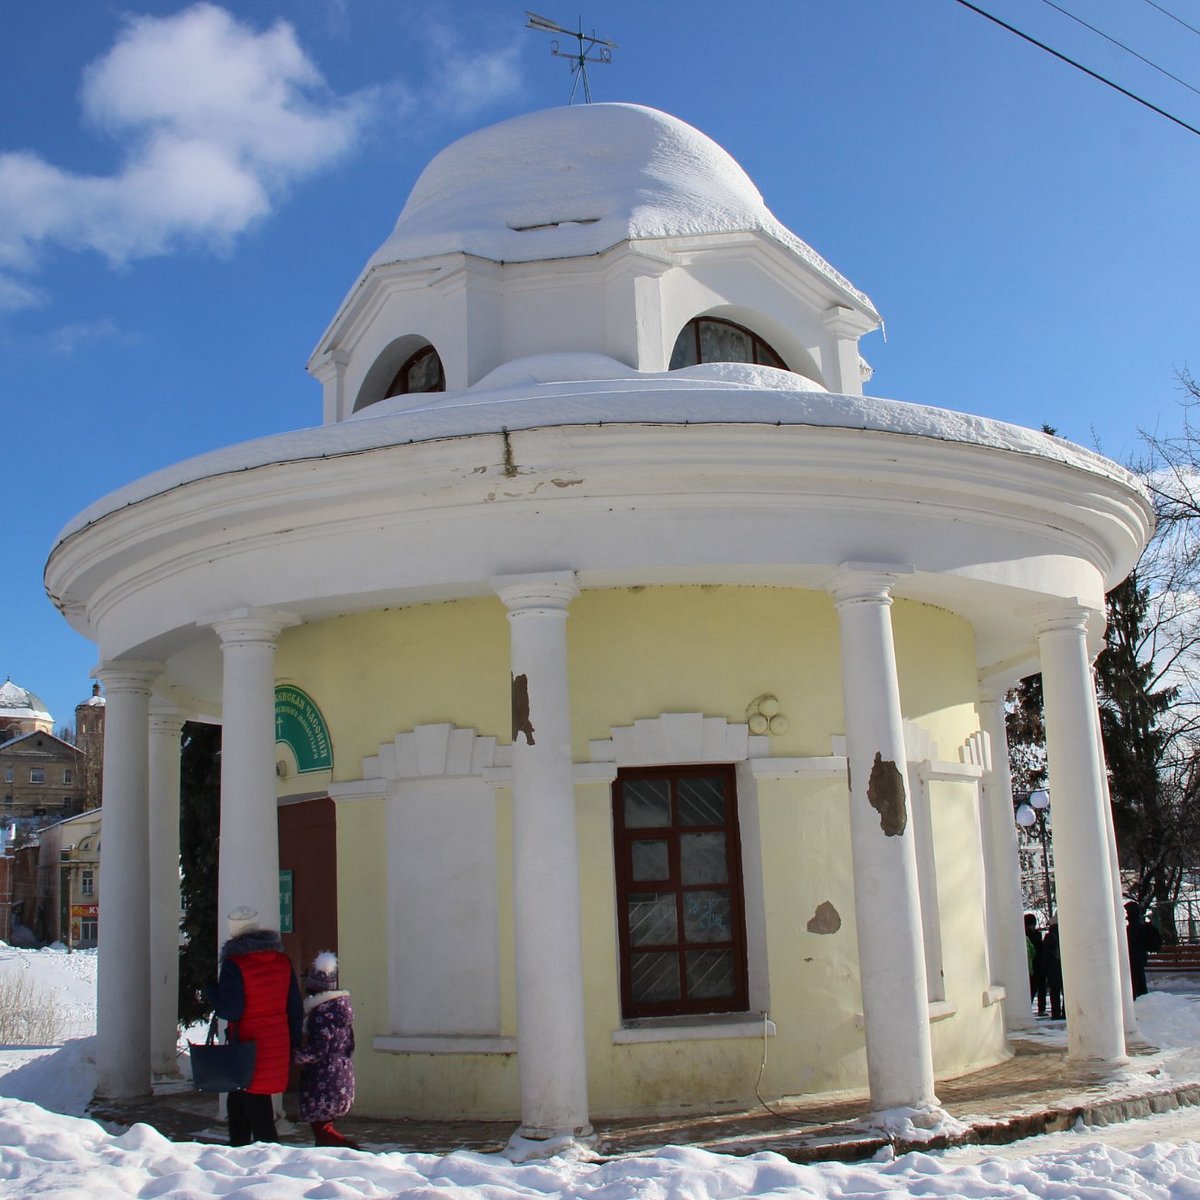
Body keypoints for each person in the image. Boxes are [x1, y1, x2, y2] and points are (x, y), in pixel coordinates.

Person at [212, 906, 303, 1146]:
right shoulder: (282, 961)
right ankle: (240, 1153)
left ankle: (265, 1163)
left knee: (256, 1110)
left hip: (248, 1045)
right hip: (277, 1041)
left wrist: (212, 994)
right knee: (240, 1100)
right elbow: (294, 1006)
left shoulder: (235, 964)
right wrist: (293, 1042)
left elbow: (231, 1010)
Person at [293, 951, 359, 1149]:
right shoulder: (342, 1011)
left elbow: (318, 1050)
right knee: (324, 1126)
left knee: (322, 1129)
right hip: (342, 1073)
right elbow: (350, 1044)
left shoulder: (321, 1014)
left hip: (324, 1077)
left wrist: (295, 1055)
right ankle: (335, 1157)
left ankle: (354, 1152)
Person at [1126, 899, 1163, 999]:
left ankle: (1139, 998)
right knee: (1139, 977)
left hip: (1134, 955)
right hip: (1140, 955)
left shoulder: (1133, 925)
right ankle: (1141, 997)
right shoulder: (1140, 923)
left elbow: (1132, 940)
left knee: (1136, 978)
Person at [1041, 915, 1063, 1020]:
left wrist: (1043, 970)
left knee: (1055, 992)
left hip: (1053, 968)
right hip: (1064, 967)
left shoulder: (1049, 936)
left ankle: (1056, 1013)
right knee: (1065, 991)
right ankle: (1066, 1012)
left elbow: (1045, 954)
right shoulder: (1065, 934)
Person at [1024, 912, 1046, 1015]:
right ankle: (1040, 1009)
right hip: (1036, 966)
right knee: (1036, 988)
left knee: (1034, 989)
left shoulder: (1027, 936)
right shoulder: (1034, 936)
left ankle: (1032, 1008)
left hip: (1034, 966)